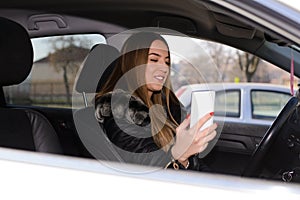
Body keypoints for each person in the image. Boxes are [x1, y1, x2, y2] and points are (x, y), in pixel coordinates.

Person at [94, 31, 217, 171]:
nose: (164, 68)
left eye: (167, 62)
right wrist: (179, 155)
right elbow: (143, 164)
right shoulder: (118, 109)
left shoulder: (167, 107)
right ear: (134, 63)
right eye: (154, 60)